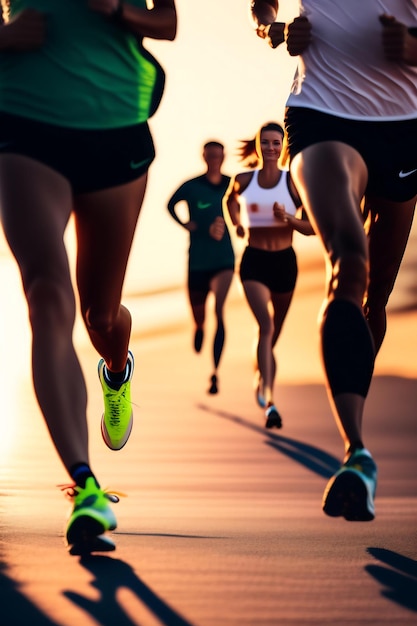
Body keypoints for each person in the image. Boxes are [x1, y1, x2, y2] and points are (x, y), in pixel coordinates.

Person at [0, 0, 177, 553]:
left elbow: (166, 24)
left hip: (115, 124)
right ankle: (85, 486)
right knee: (46, 296)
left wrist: (122, 11)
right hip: (23, 121)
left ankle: (117, 371)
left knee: (100, 315)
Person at [251, 0, 417, 521]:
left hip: (404, 125)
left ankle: (357, 442)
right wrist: (272, 29)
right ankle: (356, 453)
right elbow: (261, 7)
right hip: (321, 112)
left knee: (375, 299)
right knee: (348, 258)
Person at [225, 122, 313, 428]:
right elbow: (230, 201)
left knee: (272, 335)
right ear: (259, 145)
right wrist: (237, 223)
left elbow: (312, 226)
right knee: (266, 325)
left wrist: (288, 218)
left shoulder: (294, 183)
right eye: (266, 143)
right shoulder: (243, 179)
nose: (271, 148)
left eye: (277, 143)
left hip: (285, 264)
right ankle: (269, 401)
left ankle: (259, 371)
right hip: (254, 263)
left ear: (284, 145)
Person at [167, 141, 235, 394]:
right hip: (197, 260)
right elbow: (170, 204)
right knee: (200, 316)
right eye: (210, 155)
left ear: (223, 157)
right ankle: (198, 328)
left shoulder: (232, 185)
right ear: (204, 157)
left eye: (218, 155)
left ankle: (215, 373)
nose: (214, 159)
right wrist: (187, 225)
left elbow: (245, 208)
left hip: (224, 258)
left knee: (219, 309)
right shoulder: (191, 186)